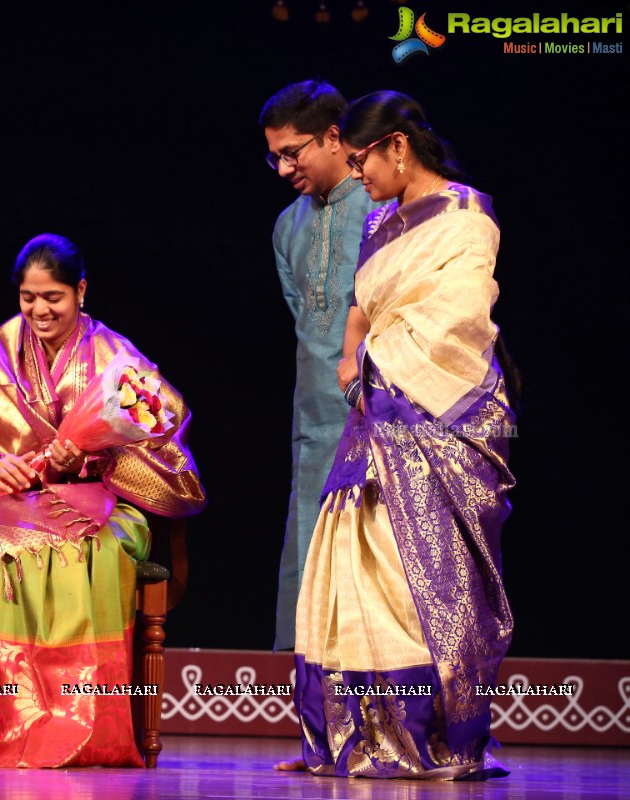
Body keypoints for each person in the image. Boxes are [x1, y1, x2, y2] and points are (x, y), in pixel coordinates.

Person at [0, 233, 206, 768]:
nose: (39, 310)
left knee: (86, 554)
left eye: (53, 298)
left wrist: (89, 459)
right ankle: (2, 718)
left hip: (105, 504)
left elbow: (161, 439)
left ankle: (85, 725)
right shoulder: (2, 347)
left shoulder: (113, 354)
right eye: (28, 298)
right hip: (20, 501)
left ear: (81, 291)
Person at [280, 91, 516, 780]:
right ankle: (357, 735)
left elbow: (460, 320)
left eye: (362, 161)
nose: (358, 176)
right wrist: (352, 356)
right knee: (350, 568)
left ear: (398, 148)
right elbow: (362, 302)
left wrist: (382, 365)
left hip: (444, 417)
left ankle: (425, 736)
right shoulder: (381, 221)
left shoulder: (468, 217)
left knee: (420, 583)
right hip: (375, 415)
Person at [261, 80, 384, 651]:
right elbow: (305, 321)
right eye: (274, 156)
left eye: (293, 151)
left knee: (378, 563)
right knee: (311, 551)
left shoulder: (383, 205)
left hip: (385, 413)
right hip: (314, 419)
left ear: (335, 137)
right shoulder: (287, 227)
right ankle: (314, 723)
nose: (284, 169)